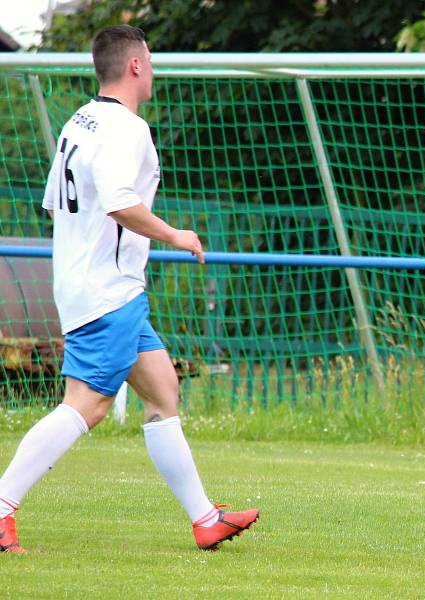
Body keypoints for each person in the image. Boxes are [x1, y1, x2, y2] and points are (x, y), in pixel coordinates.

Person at [0, 25, 259, 553]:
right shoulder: (125, 128)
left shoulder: (81, 120)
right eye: (152, 60)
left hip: (97, 286)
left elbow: (54, 203)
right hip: (107, 292)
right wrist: (174, 234)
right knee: (87, 405)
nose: (154, 69)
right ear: (137, 65)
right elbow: (119, 201)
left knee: (163, 392)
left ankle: (205, 519)